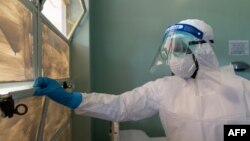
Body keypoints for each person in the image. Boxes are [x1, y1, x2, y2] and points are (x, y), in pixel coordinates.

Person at [33, 19, 250, 141]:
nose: (174, 57)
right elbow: (121, 106)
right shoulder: (165, 88)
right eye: (170, 50)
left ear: (204, 49)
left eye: (180, 49)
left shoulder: (241, 89)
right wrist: (72, 99)